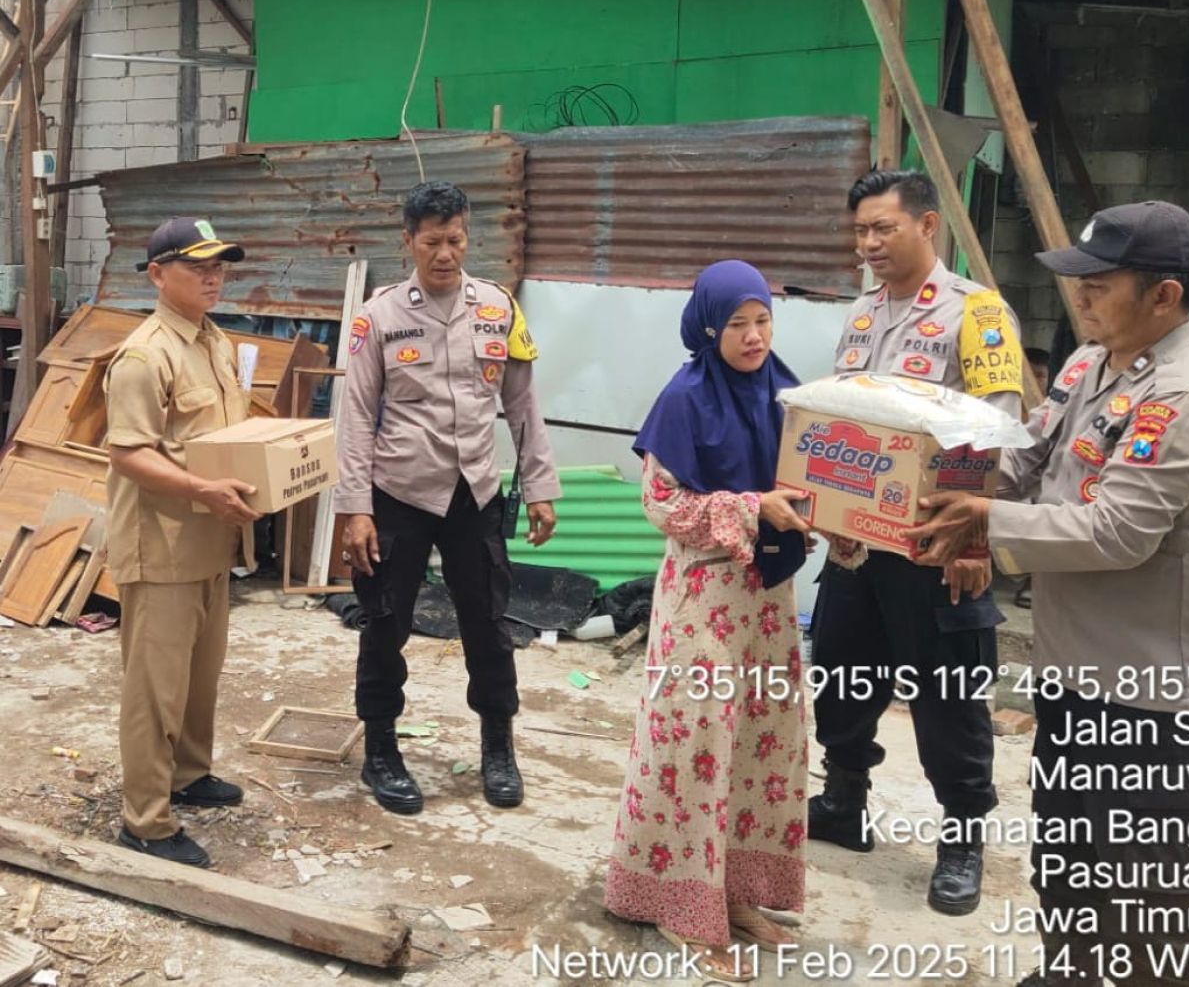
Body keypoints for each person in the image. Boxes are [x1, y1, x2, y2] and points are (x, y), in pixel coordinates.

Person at [917, 200, 1189, 987]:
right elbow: (1027, 463)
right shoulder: (1086, 366)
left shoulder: (1186, 400)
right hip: (1074, 680)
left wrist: (984, 522)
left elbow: (1117, 533)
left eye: (1101, 282)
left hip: (1156, 705)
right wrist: (928, 489)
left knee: (1152, 901)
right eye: (1080, 279)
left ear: (1164, 296)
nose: (1081, 295)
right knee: (1069, 865)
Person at [809, 169, 1024, 916]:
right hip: (857, 544)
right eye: (860, 231)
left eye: (883, 228)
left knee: (948, 699)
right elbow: (842, 417)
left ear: (928, 226)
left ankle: (962, 841)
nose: (868, 243)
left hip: (935, 546)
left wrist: (975, 539)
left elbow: (994, 430)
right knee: (842, 675)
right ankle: (844, 802)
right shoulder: (862, 313)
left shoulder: (977, 313)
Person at [604, 261, 813, 982]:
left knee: (761, 741)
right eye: (738, 325)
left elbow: (810, 481)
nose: (754, 337)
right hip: (704, 600)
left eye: (763, 321)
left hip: (768, 599)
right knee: (695, 742)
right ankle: (678, 904)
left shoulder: (786, 392)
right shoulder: (684, 398)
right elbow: (662, 505)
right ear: (708, 328)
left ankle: (736, 895)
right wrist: (753, 508)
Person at [335, 180, 560, 815]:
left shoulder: (497, 308)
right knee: (385, 624)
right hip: (399, 493)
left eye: (455, 240)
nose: (445, 254)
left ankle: (498, 746)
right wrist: (355, 509)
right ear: (408, 241)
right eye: (432, 242)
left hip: (475, 493)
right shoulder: (378, 317)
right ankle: (381, 749)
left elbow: (522, 406)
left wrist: (540, 488)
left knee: (489, 624)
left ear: (467, 237)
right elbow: (356, 417)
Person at [104, 217, 259, 867]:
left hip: (209, 542)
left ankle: (189, 775)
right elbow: (129, 453)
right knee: (155, 689)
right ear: (157, 275)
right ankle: (145, 819)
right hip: (161, 547)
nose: (213, 276)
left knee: (200, 674)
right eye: (197, 267)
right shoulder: (145, 356)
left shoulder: (213, 341)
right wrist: (203, 491)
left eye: (218, 265)